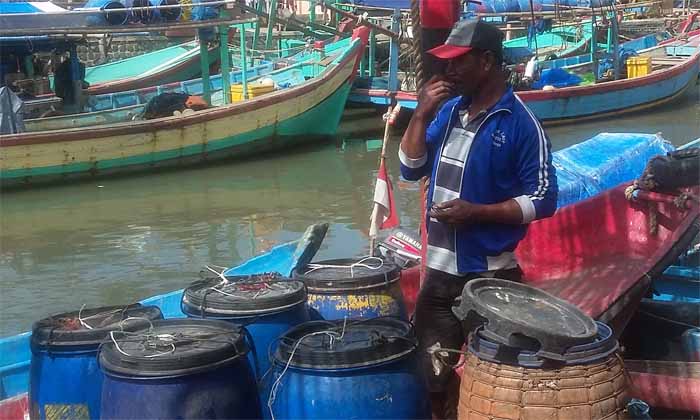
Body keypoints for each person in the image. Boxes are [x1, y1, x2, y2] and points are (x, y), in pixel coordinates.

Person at [398, 19, 558, 419]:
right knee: (431, 374)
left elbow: (544, 200)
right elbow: (409, 167)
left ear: (486, 62)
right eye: (445, 64)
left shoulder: (521, 124)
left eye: (458, 63)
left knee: (501, 382)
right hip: (439, 275)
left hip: (492, 278)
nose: (447, 72)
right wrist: (420, 115)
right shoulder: (449, 112)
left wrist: (478, 214)